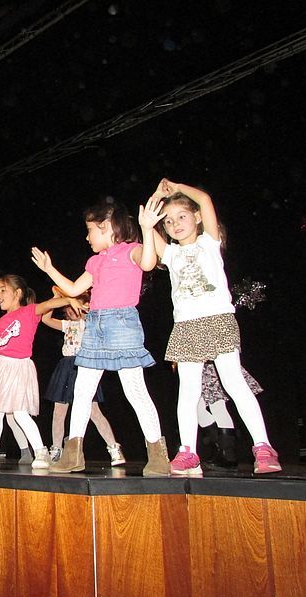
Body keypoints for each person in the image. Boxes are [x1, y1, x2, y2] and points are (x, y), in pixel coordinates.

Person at [143, 178, 280, 475]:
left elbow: (204, 199)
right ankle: (188, 451)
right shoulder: (170, 254)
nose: (175, 223)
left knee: (234, 383)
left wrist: (175, 187)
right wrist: (157, 198)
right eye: (169, 221)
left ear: (197, 219)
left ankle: (263, 447)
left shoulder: (210, 242)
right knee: (188, 392)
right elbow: (149, 227)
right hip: (187, 326)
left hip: (217, 320)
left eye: (182, 216)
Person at [31, 200, 169, 476]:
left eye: (90, 230)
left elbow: (150, 261)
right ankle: (73, 453)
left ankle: (157, 454)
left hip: (122, 324)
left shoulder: (132, 251)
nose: (87, 236)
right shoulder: (95, 261)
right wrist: (49, 268)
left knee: (135, 390)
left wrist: (146, 227)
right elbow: (72, 288)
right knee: (82, 390)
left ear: (106, 228)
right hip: (94, 325)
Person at [0, 275, 82, 469]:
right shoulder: (2, 321)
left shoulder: (28, 312)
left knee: (19, 413)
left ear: (17, 293)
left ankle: (41, 451)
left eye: (3, 290)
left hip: (17, 366)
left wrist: (68, 299)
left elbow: (48, 304)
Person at [41, 291, 126, 467]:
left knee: (94, 411)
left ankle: (113, 448)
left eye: (74, 307)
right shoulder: (67, 325)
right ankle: (56, 449)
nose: (70, 310)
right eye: (68, 307)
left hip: (85, 367)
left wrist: (83, 307)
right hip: (66, 367)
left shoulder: (89, 322)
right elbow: (45, 319)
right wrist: (58, 299)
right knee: (59, 412)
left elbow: (93, 315)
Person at [196, 362, 263, 469]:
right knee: (215, 407)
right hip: (210, 364)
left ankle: (225, 451)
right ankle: (226, 452)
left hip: (208, 363)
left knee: (213, 407)